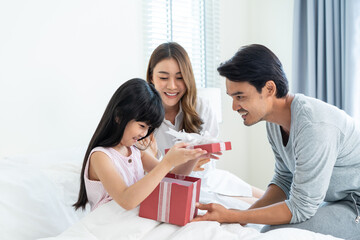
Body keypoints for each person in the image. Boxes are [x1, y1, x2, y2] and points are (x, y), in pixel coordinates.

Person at [193, 44, 360, 240]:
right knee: (269, 232)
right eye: (232, 97)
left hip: (355, 204)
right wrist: (240, 219)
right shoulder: (274, 122)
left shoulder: (314, 125)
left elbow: (301, 207)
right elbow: (283, 180)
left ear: (269, 88)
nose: (234, 106)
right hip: (338, 200)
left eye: (240, 96)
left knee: (276, 235)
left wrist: (234, 215)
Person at [142, 42, 264, 208]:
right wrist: (186, 163)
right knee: (255, 210)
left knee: (273, 200)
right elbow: (152, 173)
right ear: (151, 78)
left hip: (210, 178)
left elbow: (208, 162)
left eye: (180, 77)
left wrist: (199, 159)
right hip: (180, 188)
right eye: (163, 78)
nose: (172, 86)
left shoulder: (200, 106)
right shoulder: (142, 118)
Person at [73, 78, 212, 211]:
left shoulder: (136, 151)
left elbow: (171, 179)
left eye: (148, 128)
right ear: (119, 116)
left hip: (133, 221)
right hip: (109, 224)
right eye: (141, 125)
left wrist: (194, 154)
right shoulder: (100, 156)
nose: (144, 133)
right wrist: (167, 161)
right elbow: (126, 200)